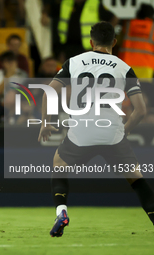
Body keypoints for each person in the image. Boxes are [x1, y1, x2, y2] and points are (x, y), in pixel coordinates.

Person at [38, 21, 154, 237]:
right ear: (115, 42)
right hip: (112, 133)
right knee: (137, 180)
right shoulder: (123, 67)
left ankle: (61, 212)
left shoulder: (74, 62)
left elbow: (49, 93)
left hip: (81, 132)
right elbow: (141, 110)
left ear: (91, 42)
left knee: (58, 165)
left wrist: (45, 122)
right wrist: (125, 130)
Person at [119, 4, 154, 79]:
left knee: (127, 89)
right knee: (143, 90)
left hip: (126, 65)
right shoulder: (152, 27)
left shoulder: (128, 24)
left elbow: (118, 42)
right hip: (146, 67)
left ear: (138, 13)